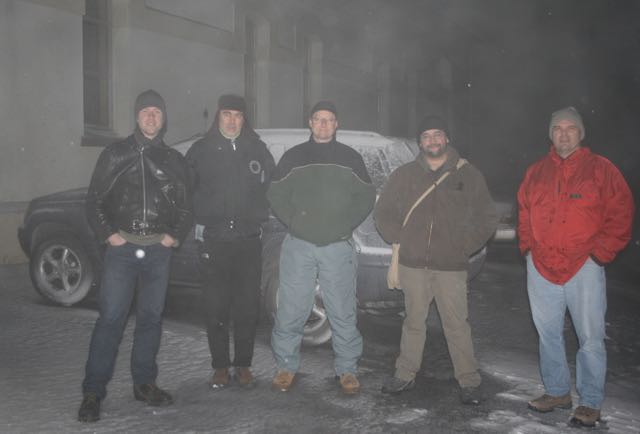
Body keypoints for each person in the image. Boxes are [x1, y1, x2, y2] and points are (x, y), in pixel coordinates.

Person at [78, 89, 193, 422]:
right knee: (111, 319)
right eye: (146, 111)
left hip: (158, 251)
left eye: (157, 111)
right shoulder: (115, 153)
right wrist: (108, 235)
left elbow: (187, 205)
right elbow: (93, 201)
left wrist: (175, 236)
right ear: (136, 116)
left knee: (151, 319)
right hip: (123, 250)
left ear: (164, 117)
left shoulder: (174, 160)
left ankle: (144, 383)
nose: (152, 117)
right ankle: (92, 391)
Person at [518, 106, 633, 427]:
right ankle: (556, 391)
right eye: (558, 129)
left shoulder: (602, 170)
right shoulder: (537, 171)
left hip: (584, 265)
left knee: (591, 337)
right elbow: (524, 211)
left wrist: (600, 254)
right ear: (550, 134)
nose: (564, 134)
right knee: (548, 334)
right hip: (541, 266)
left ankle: (590, 402)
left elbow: (621, 213)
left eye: (571, 128)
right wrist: (527, 248)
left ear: (581, 133)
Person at [374, 115, 497, 405]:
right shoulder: (404, 174)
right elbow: (384, 212)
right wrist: (399, 237)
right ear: (420, 142)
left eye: (438, 134)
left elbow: (487, 217)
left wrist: (462, 246)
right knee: (413, 322)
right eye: (426, 135)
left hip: (450, 267)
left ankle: (469, 381)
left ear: (447, 139)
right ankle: (404, 375)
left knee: (457, 324)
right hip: (413, 264)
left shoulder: (468, 175)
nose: (432, 140)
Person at [267, 101, 376, 394]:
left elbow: (366, 195)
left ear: (336, 124)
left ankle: (347, 370)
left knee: (342, 309)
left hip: (337, 245)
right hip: (299, 245)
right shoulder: (293, 157)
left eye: (329, 120)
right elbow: (275, 192)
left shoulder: (350, 158)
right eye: (318, 119)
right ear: (310, 123)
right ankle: (286, 366)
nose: (324, 125)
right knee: (291, 308)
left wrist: (345, 223)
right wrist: (294, 221)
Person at [185, 94, 274, 389]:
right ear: (218, 117)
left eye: (238, 115)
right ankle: (221, 366)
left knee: (248, 306)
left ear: (244, 118)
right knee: (216, 306)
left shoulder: (257, 149)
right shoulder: (201, 150)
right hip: (215, 240)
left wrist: (260, 216)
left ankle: (244, 365)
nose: (232, 120)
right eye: (227, 114)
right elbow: (186, 191)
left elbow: (272, 187)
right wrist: (199, 220)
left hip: (248, 241)